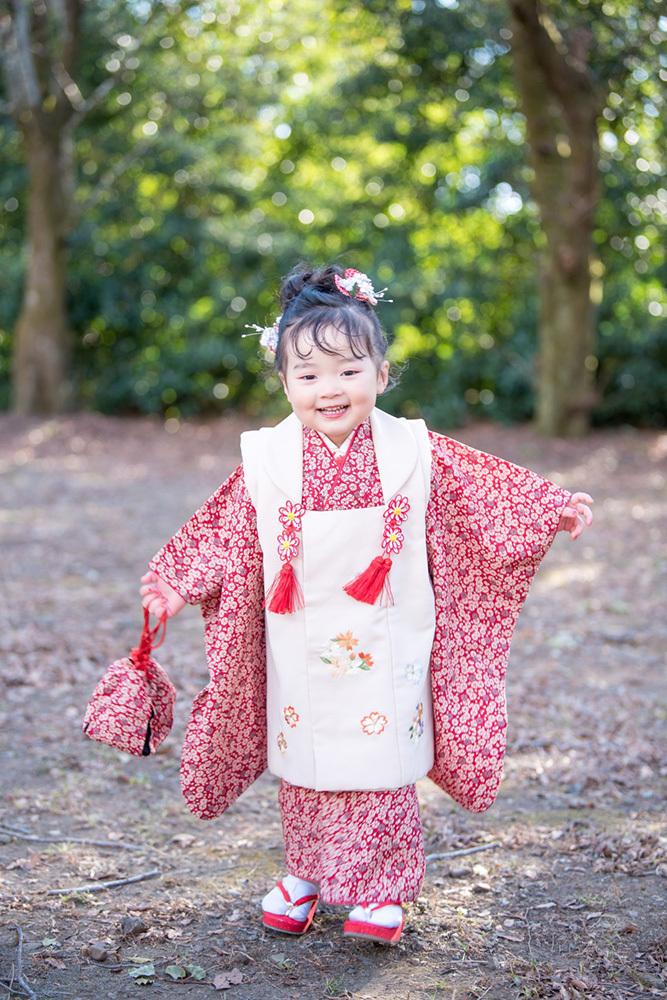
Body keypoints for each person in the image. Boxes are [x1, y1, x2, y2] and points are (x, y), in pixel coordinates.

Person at [140, 262, 593, 945]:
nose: (329, 389)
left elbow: (480, 491)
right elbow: (227, 532)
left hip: (388, 638)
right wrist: (179, 580)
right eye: (308, 374)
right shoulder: (266, 458)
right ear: (285, 382)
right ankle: (305, 872)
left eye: (348, 370)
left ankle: (382, 889)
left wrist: (544, 507)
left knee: (381, 761)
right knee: (307, 759)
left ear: (381, 375)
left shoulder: (412, 449)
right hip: (298, 636)